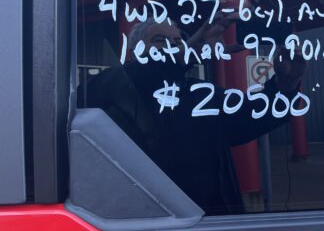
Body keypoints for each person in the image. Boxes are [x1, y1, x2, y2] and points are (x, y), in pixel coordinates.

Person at [79, 16, 306, 215]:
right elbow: (139, 76)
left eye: (178, 41)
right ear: (132, 53)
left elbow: (252, 116)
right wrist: (187, 52)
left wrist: (285, 85)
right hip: (149, 226)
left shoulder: (200, 93)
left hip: (214, 223)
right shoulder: (112, 84)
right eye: (159, 40)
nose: (173, 46)